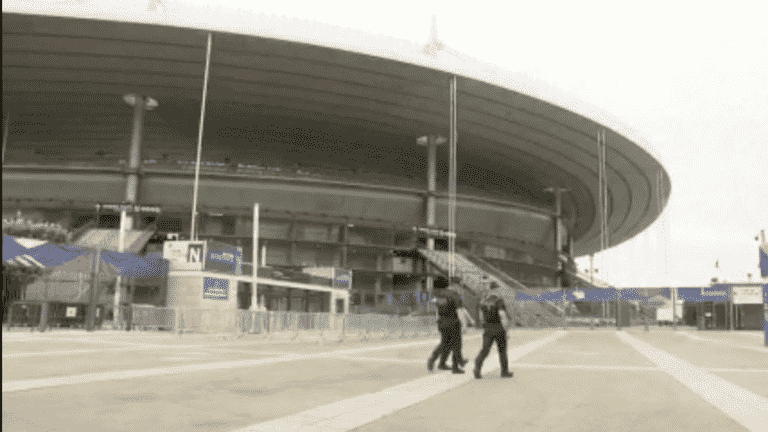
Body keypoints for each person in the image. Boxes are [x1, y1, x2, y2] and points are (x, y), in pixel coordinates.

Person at [428, 277, 472, 374]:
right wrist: (464, 324)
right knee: (456, 344)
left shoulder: (435, 294)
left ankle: (435, 359)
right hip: (453, 322)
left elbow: (437, 307)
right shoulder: (454, 295)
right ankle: (455, 367)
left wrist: (438, 318)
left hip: (442, 321)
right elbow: (459, 310)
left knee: (445, 343)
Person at [474, 281, 514, 379]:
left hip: (488, 328)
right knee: (502, 350)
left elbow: (480, 315)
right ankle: (504, 372)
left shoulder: (484, 301)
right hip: (499, 328)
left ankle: (477, 368)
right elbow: (502, 315)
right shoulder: (498, 300)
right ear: (496, 289)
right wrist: (506, 330)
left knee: (485, 349)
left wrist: (484, 323)